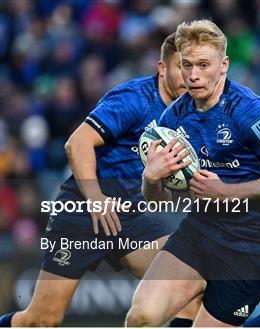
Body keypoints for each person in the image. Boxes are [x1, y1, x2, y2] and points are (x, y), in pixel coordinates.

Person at [0, 33, 201, 327]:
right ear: (161, 67)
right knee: (42, 320)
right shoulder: (133, 98)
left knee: (187, 283)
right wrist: (95, 198)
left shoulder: (188, 117)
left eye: (195, 68)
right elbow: (76, 144)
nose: (190, 76)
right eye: (181, 67)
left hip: (129, 215)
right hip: (83, 209)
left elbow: (159, 197)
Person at [125, 19, 260, 327]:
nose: (194, 75)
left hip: (250, 247)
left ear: (224, 65)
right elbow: (159, 200)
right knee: (141, 317)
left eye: (203, 65)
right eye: (187, 65)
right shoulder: (173, 118)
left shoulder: (251, 111)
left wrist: (229, 191)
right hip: (199, 232)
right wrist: (151, 178)